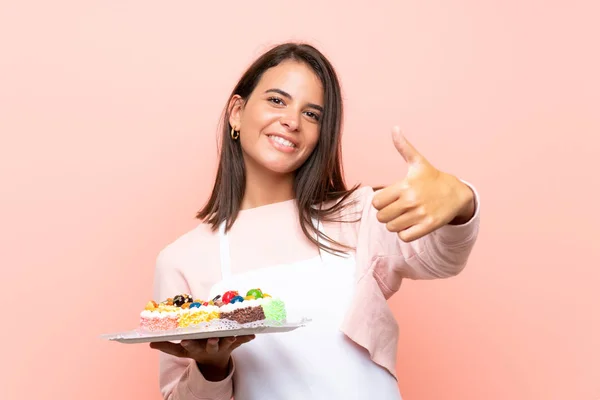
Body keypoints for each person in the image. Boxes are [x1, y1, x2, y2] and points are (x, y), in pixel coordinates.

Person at [148, 42, 480, 400]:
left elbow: (441, 259)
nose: (292, 121)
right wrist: (210, 368)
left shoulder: (359, 213)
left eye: (312, 114)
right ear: (237, 112)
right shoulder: (182, 259)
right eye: (277, 100)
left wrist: (461, 200)